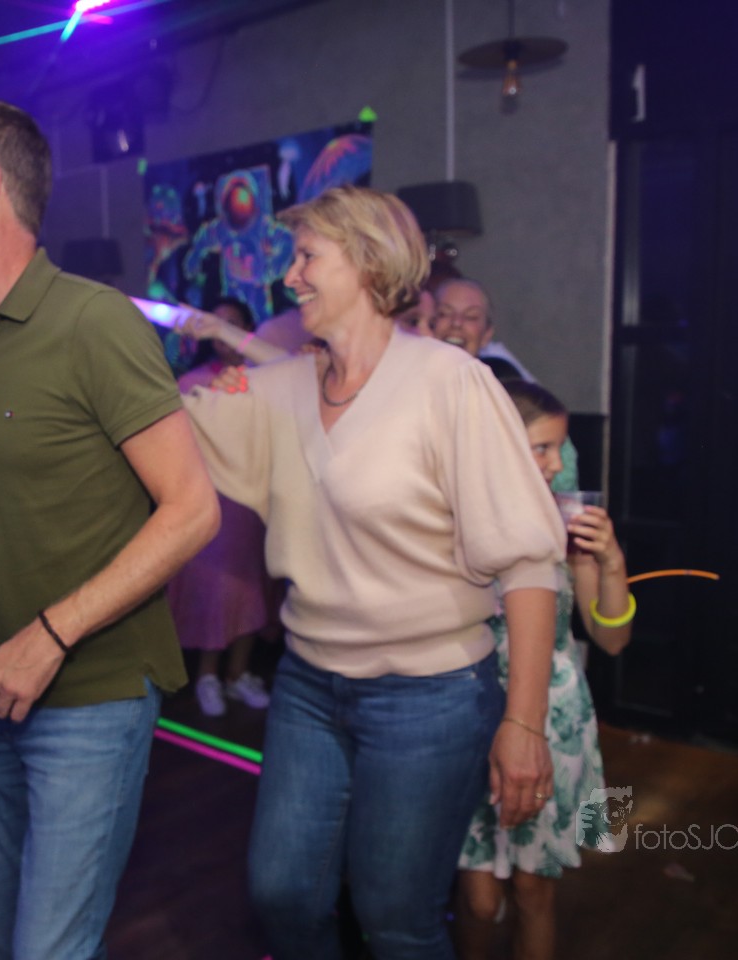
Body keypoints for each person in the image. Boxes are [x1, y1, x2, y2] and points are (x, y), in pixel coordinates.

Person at [181, 185, 562, 959]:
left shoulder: (449, 383)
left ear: (365, 261)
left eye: (307, 257)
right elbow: (158, 427)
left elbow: (528, 561)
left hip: (430, 696)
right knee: (283, 893)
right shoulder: (285, 385)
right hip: (308, 684)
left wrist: (523, 725)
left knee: (395, 918)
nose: (290, 277)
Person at [0, 97, 219, 959]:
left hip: (92, 694)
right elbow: (30, 499)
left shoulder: (92, 322)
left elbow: (193, 510)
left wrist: (51, 634)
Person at [455, 379, 634, 960]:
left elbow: (611, 640)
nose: (559, 464)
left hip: (553, 720)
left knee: (534, 892)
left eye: (560, 447)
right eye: (543, 448)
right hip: (467, 712)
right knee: (478, 901)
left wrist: (611, 562)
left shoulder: (565, 521)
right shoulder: (454, 518)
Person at [169, 297, 277, 716]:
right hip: (213, 502)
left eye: (231, 323)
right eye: (215, 324)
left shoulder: (271, 378)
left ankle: (238, 674)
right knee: (214, 590)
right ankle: (208, 676)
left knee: (251, 590)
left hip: (256, 504)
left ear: (248, 329)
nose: (221, 332)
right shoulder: (193, 382)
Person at [431, 277, 579, 492]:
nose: (456, 323)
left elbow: (561, 482)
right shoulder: (406, 395)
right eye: (444, 313)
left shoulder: (504, 391)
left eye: (471, 316)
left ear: (486, 335)